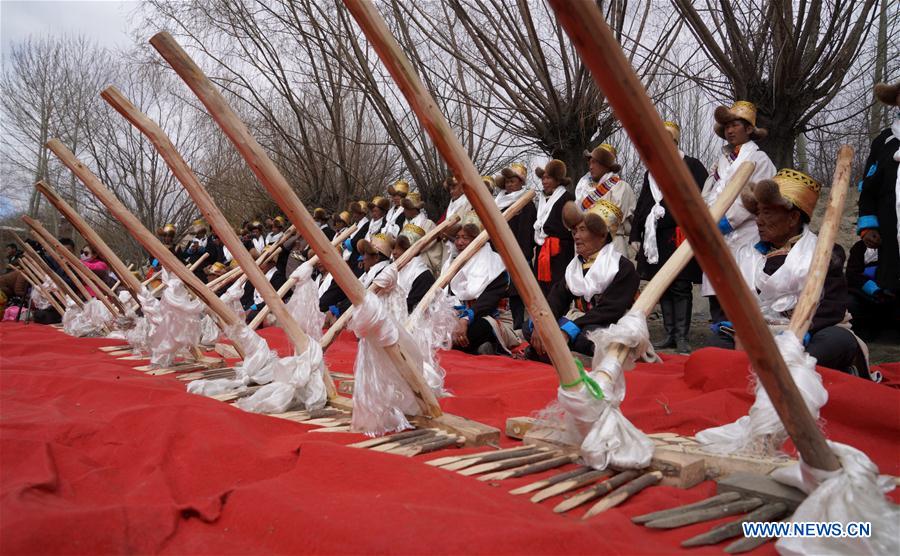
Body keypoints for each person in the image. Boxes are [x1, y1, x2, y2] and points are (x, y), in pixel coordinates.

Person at [710, 169, 870, 378]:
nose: (758, 220)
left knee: (836, 341)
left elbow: (832, 307)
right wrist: (737, 325)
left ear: (793, 217)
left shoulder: (825, 252)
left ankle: (788, 373)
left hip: (811, 331)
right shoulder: (748, 254)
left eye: (766, 213)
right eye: (757, 213)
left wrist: (800, 332)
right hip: (761, 331)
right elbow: (734, 300)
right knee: (716, 344)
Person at [631, 121, 709, 353]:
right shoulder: (652, 172)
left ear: (675, 142)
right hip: (656, 237)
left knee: (681, 285)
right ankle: (669, 333)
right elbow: (643, 202)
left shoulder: (692, 166)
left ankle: (682, 336)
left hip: (680, 235)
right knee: (662, 285)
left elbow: (703, 198)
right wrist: (635, 234)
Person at [529, 200, 639, 359]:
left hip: (610, 324)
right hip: (580, 321)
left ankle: (559, 352)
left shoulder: (622, 267)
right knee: (532, 327)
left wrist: (570, 328)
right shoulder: (574, 267)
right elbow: (557, 299)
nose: (576, 237)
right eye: (574, 231)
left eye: (582, 230)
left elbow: (610, 311)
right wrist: (543, 323)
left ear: (602, 235)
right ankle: (563, 350)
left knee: (592, 336)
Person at [701, 100, 776, 326]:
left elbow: (754, 198)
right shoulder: (721, 161)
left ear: (749, 129)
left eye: (735, 125)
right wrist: (704, 218)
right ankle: (720, 336)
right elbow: (709, 192)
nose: (730, 131)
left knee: (742, 288)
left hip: (745, 234)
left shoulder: (759, 159)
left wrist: (726, 221)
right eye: (726, 127)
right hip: (716, 235)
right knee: (718, 289)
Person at [448, 212, 518, 355]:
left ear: (478, 240)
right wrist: (454, 318)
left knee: (480, 327)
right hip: (462, 319)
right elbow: (450, 298)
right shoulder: (455, 264)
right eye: (457, 238)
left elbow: (487, 303)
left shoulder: (495, 265)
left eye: (465, 238)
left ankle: (488, 346)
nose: (459, 242)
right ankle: (480, 348)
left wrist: (465, 319)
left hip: (492, 318)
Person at [857, 81, 899, 304]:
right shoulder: (884, 141)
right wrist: (868, 227)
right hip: (890, 223)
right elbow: (868, 188)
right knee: (892, 277)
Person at [574, 144, 636, 256]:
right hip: (586, 248)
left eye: (595, 162)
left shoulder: (620, 187)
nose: (590, 167)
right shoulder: (583, 190)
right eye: (590, 162)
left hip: (612, 246)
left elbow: (611, 220)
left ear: (606, 165)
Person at [498, 162, 537, 329]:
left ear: (521, 182)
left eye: (512, 181)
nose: (509, 184)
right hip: (499, 253)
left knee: (517, 291)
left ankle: (518, 325)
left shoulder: (526, 203)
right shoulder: (499, 203)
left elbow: (526, 233)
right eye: (507, 181)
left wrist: (521, 255)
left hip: (517, 253)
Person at [533, 159, 575, 295]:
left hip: (560, 250)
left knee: (557, 286)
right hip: (542, 247)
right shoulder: (542, 200)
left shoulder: (567, 198)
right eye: (543, 178)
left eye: (548, 178)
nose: (544, 181)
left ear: (557, 179)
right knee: (541, 286)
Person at [845, 238, 899, 341]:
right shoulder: (860, 247)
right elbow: (852, 275)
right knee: (850, 302)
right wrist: (873, 289)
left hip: (892, 297)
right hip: (864, 296)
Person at [393, 224, 436, 313]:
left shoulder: (423, 275)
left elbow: (412, 307)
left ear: (411, 250)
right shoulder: (395, 269)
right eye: (394, 248)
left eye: (400, 248)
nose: (394, 252)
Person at [399, 191, 441, 276]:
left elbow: (426, 244)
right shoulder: (405, 224)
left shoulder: (428, 224)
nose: (404, 211)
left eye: (406, 209)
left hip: (423, 261)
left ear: (414, 209)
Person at [345, 200, 370, 276]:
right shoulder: (356, 224)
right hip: (351, 258)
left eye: (355, 213)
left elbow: (357, 241)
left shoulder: (367, 224)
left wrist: (347, 243)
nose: (354, 215)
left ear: (362, 213)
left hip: (358, 259)